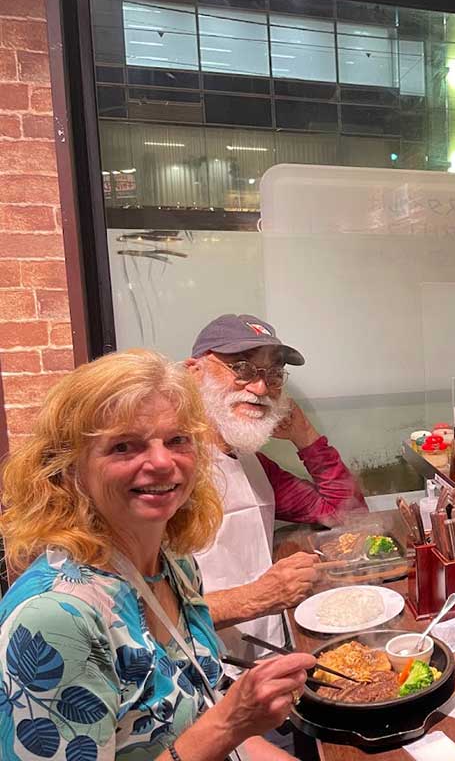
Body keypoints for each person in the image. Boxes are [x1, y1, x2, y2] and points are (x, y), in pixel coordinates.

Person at [0, 349, 315, 761]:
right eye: (124, 446)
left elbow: (201, 709)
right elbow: (217, 727)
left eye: (176, 440)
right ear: (69, 468)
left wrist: (236, 725)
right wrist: (231, 722)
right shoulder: (54, 618)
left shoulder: (172, 563)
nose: (163, 462)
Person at [183, 314, 367, 662]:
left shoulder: (254, 464)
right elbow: (139, 610)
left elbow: (346, 514)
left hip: (266, 659)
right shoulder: (166, 471)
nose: (261, 388)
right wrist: (257, 596)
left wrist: (305, 435)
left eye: (273, 374)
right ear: (194, 372)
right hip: (202, 674)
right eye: (242, 368)